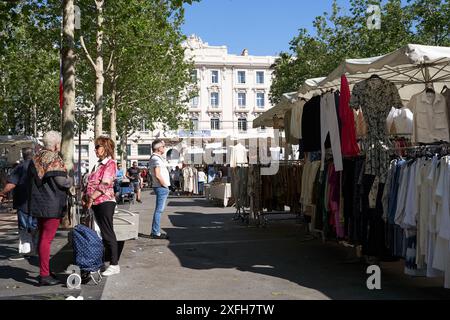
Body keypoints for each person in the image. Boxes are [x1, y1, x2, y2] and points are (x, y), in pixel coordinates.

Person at [26, 131, 73, 286]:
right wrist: (71, 180)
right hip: (52, 204)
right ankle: (44, 275)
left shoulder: (36, 157)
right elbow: (62, 182)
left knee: (42, 239)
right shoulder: (54, 158)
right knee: (47, 240)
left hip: (38, 204)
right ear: (55, 145)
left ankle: (44, 271)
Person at [83, 136, 120, 277]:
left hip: (104, 201)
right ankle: (104, 261)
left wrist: (91, 197)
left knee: (107, 232)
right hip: (96, 202)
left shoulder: (110, 164)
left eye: (98, 146)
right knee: (100, 233)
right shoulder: (98, 164)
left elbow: (105, 184)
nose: (95, 149)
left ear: (105, 148)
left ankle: (114, 264)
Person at [0, 148, 38, 261]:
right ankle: (35, 249)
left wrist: (2, 193)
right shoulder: (38, 167)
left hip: (23, 202)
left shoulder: (20, 167)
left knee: (24, 227)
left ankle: (26, 251)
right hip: (38, 202)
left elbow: (11, 184)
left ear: (23, 155)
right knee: (34, 226)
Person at [149, 139, 171, 239]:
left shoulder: (157, 158)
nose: (164, 148)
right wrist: (165, 185)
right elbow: (158, 175)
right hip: (161, 187)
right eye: (163, 146)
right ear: (158, 148)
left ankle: (155, 231)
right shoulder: (156, 159)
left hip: (160, 187)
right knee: (159, 210)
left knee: (159, 210)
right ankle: (155, 232)